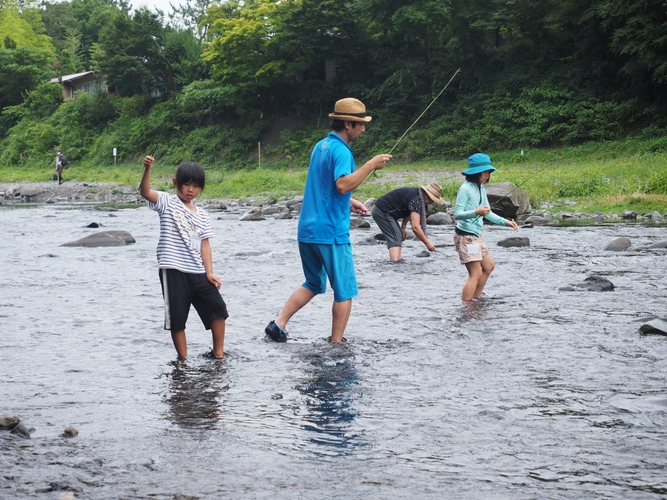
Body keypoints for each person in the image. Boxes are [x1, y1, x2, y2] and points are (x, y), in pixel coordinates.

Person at [265, 97, 392, 343]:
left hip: (307, 230)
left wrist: (349, 201)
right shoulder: (342, 151)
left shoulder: (320, 146)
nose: (364, 129)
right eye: (360, 124)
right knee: (344, 291)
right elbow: (342, 184)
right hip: (331, 232)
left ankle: (278, 324)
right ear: (347, 124)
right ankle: (336, 345)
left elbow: (329, 186)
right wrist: (371, 165)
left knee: (313, 282)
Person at [140, 156, 229, 360]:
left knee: (218, 309)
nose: (191, 190)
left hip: (197, 271)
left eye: (196, 186)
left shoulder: (202, 215)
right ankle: (183, 361)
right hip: (173, 270)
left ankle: (218, 354)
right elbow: (145, 192)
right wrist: (147, 169)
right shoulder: (167, 202)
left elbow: (205, 245)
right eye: (186, 184)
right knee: (178, 320)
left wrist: (209, 272)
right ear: (175, 183)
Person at [453, 153, 519, 302]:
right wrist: (476, 212)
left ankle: (476, 298)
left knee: (488, 267)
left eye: (488, 172)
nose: (487, 175)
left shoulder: (480, 188)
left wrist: (506, 222)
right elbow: (457, 214)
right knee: (475, 273)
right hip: (465, 237)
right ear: (476, 173)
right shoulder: (465, 189)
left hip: (476, 236)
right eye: (485, 172)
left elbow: (487, 213)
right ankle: (467, 305)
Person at [371, 182, 444, 261]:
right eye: (432, 200)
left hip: (388, 213)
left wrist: (403, 227)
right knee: (395, 238)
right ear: (427, 194)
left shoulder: (418, 196)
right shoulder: (417, 200)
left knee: (399, 236)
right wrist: (428, 243)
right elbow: (415, 227)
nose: (431, 202)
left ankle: (397, 261)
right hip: (382, 211)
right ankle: (394, 264)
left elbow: (409, 212)